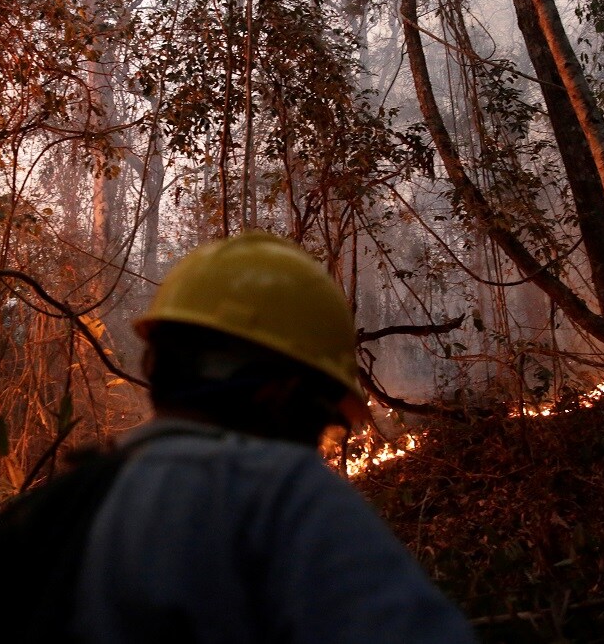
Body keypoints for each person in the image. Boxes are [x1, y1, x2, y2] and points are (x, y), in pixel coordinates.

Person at [69, 231, 477, 643]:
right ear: (286, 392)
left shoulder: (62, 506)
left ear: (155, 363)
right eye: (320, 420)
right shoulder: (288, 501)